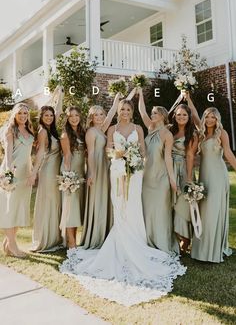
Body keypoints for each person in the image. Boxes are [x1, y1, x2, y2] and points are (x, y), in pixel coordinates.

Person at [60, 99, 186, 306]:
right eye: (122, 109)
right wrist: (120, 158)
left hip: (135, 173)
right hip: (117, 171)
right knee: (120, 207)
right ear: (118, 112)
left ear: (131, 112)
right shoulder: (111, 128)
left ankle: (137, 239)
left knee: (134, 206)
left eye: (128, 109)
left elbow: (144, 151)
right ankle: (118, 239)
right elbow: (109, 149)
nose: (125, 112)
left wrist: (137, 160)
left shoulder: (138, 128)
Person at [188, 105, 236, 263]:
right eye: (207, 116)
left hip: (217, 176)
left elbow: (228, 153)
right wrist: (187, 97)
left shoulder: (221, 133)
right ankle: (201, 249)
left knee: (213, 212)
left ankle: (212, 250)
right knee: (203, 211)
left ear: (217, 119)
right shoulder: (200, 133)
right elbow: (194, 115)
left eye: (213, 117)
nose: (209, 120)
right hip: (203, 176)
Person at [137, 87, 179, 254]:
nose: (152, 115)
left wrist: (172, 180)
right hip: (147, 176)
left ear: (162, 115)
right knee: (147, 209)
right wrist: (140, 93)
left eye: (155, 113)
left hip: (160, 177)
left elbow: (168, 158)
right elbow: (141, 112)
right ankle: (148, 240)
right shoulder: (150, 129)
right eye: (152, 113)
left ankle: (161, 243)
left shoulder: (166, 134)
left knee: (160, 210)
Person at [80, 93, 121, 249]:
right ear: (91, 117)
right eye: (95, 115)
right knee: (97, 198)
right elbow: (90, 153)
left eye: (101, 114)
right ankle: (95, 235)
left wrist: (117, 99)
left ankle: (105, 233)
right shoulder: (91, 132)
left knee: (105, 198)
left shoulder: (102, 129)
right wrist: (91, 172)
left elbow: (111, 113)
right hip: (96, 167)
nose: (99, 116)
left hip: (105, 166)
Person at [30, 87, 63, 252]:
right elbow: (40, 153)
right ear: (41, 117)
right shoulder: (43, 132)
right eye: (46, 115)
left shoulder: (53, 130)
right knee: (48, 203)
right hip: (48, 171)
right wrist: (34, 173)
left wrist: (60, 92)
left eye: (51, 115)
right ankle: (45, 239)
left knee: (55, 203)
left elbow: (58, 109)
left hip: (56, 172)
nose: (49, 117)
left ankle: (55, 237)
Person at [0, 103, 34, 257]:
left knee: (20, 208)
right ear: (15, 114)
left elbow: (28, 154)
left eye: (25, 113)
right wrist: (8, 175)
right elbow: (8, 155)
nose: (23, 116)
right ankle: (13, 246)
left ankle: (8, 244)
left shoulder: (29, 129)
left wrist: (32, 171)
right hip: (12, 174)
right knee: (10, 209)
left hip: (25, 174)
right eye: (20, 113)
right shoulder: (10, 129)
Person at [169, 103, 198, 253]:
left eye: (184, 115)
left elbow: (190, 156)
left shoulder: (192, 134)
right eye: (179, 114)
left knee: (181, 205)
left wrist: (188, 178)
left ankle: (185, 240)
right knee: (170, 205)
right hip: (168, 170)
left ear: (189, 117)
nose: (181, 117)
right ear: (174, 115)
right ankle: (173, 239)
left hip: (183, 170)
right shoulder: (170, 130)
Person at [60, 106, 86, 248]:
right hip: (71, 174)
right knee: (71, 207)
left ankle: (74, 239)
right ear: (67, 118)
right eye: (71, 116)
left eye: (76, 115)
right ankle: (70, 242)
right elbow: (67, 156)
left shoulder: (82, 132)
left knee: (76, 208)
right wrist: (68, 177)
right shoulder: (65, 135)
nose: (74, 118)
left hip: (81, 173)